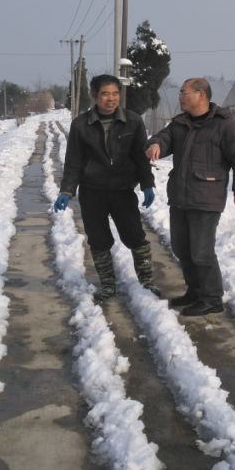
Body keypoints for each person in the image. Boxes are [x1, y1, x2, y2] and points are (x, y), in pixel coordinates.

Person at [145, 77, 235, 317]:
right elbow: (163, 137)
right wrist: (155, 145)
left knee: (201, 251)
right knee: (182, 248)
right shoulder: (181, 123)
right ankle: (195, 292)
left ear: (201, 95)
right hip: (181, 196)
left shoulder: (224, 125)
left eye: (185, 93)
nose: (181, 97)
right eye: (181, 93)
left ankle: (212, 298)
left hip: (206, 197)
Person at [55, 74, 158, 302]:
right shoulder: (81, 124)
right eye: (105, 94)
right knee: (99, 240)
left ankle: (147, 281)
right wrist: (66, 190)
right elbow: (74, 161)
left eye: (115, 93)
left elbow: (141, 158)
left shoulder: (132, 121)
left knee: (135, 236)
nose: (111, 99)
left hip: (122, 190)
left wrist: (147, 184)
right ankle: (108, 285)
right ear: (94, 96)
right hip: (93, 192)